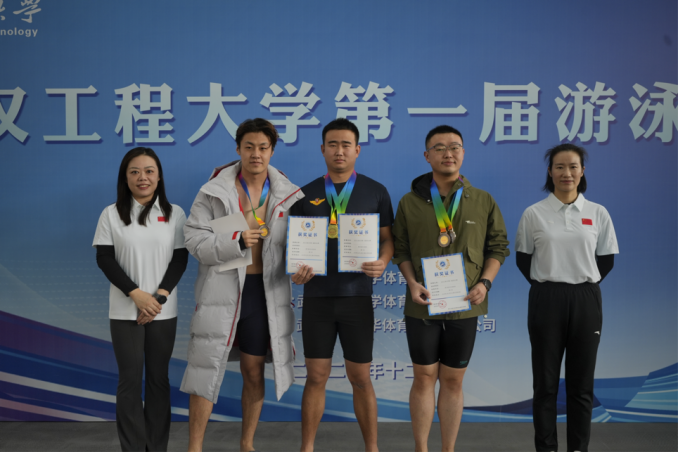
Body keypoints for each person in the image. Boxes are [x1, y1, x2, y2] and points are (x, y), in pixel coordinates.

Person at [181, 118, 303, 452]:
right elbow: (193, 240)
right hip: (221, 290)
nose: (256, 154)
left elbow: (299, 244)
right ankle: (194, 447)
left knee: (253, 370)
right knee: (205, 370)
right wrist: (235, 242)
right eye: (249, 147)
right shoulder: (213, 191)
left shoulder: (288, 194)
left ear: (272, 151)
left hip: (264, 295)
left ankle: (247, 443)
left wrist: (303, 266)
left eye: (263, 147)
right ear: (238, 149)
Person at [392, 125, 509, 452]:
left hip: (465, 304)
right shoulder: (409, 202)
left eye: (455, 147)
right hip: (422, 304)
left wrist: (485, 283)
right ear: (427, 156)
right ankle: (421, 448)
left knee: (454, 380)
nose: (448, 153)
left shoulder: (483, 200)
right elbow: (400, 249)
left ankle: (448, 449)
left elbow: (498, 247)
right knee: (423, 377)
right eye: (439, 148)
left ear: (463, 153)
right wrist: (412, 283)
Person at [291, 118, 394, 452]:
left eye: (346, 144)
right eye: (332, 144)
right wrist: (295, 270)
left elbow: (388, 240)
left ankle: (372, 448)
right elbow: (292, 245)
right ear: (322, 149)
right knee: (316, 376)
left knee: (361, 378)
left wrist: (383, 261)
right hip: (317, 299)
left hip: (357, 298)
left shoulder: (376, 191)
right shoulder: (304, 193)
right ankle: (307, 447)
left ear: (357, 150)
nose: (339, 150)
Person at [515, 144, 618, 452]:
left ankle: (577, 448)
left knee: (581, 385)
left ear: (582, 171)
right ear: (550, 172)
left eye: (573, 166)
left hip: (586, 298)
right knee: (545, 384)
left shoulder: (598, 212)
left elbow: (606, 260)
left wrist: (580, 283)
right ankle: (546, 448)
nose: (566, 173)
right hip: (546, 298)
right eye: (559, 167)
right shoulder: (534, 213)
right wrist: (551, 284)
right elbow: (523, 259)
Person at [93, 147, 189, 452]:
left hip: (162, 310)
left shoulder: (175, 213)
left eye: (149, 171)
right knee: (130, 381)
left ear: (159, 177)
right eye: (134, 171)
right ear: (125, 177)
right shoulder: (111, 213)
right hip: (125, 311)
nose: (142, 177)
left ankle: (156, 446)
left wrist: (157, 298)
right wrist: (136, 294)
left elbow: (180, 259)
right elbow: (105, 258)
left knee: (159, 380)